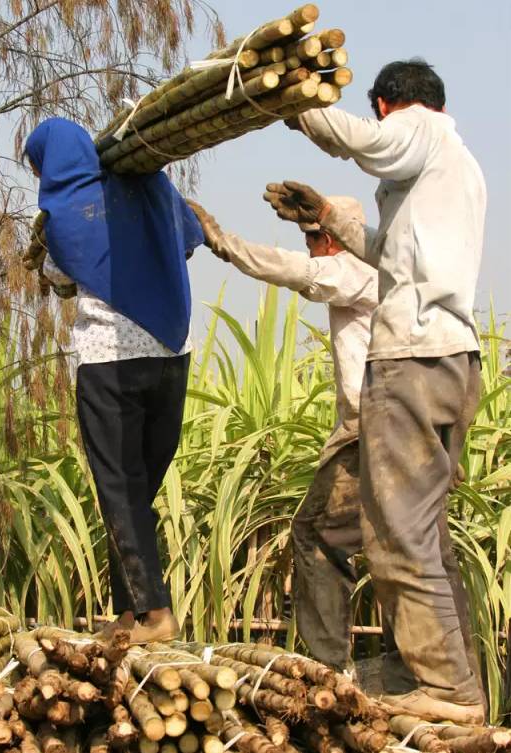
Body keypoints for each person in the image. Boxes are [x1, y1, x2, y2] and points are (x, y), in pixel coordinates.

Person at [265, 58, 486, 724]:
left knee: (393, 531)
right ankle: (457, 683)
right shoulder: (454, 171)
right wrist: (329, 215)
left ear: (389, 106)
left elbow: (362, 141)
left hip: (411, 357)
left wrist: (289, 101)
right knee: (421, 531)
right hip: (449, 356)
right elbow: (388, 252)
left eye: (377, 115)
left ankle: (446, 688)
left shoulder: (419, 129)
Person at [23, 117, 203, 644]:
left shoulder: (65, 212)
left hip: (109, 362)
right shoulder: (156, 191)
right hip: (172, 354)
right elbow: (187, 242)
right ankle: (129, 614)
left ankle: (155, 615)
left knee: (119, 489)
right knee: (137, 490)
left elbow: (59, 277)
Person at [186, 196, 378, 673]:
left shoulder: (353, 270)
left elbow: (296, 271)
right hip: (383, 429)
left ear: (331, 239)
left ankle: (332, 665)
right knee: (401, 543)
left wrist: (223, 243)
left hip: (374, 433)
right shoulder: (380, 273)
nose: (309, 249)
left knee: (316, 533)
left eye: (312, 239)